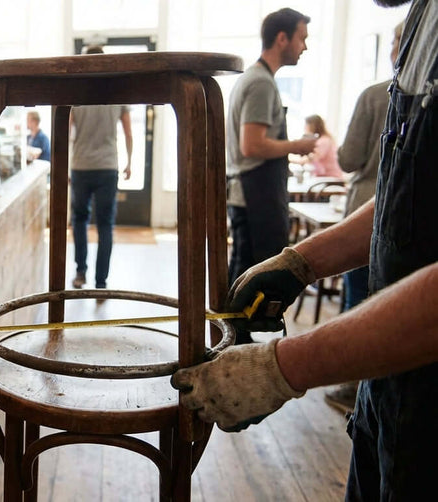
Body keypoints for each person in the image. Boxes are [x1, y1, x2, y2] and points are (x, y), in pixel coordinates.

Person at [172, 1, 438, 498]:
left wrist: (282, 368)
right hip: (386, 388)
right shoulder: (425, 19)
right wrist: (304, 262)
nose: (308, 46)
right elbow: (408, 196)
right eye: (303, 37)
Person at [324, 21, 404, 415]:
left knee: (358, 297)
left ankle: (351, 383)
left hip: (366, 205)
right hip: (405, 214)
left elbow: (349, 158)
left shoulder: (375, 96)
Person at [225, 7, 317, 343]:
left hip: (251, 192)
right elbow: (252, 145)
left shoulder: (256, 79)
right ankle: (233, 347)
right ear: (282, 38)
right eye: (301, 38)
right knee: (249, 275)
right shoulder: (260, 83)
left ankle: (234, 344)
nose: (304, 46)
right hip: (254, 195)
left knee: (245, 273)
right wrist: (298, 145)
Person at [69, 46, 132, 290]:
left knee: (80, 221)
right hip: (107, 166)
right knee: (106, 225)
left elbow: (65, 129)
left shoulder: (76, 93)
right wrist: (129, 162)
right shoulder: (116, 92)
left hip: (81, 165)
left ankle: (80, 272)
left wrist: (64, 165)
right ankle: (101, 281)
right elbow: (128, 131)